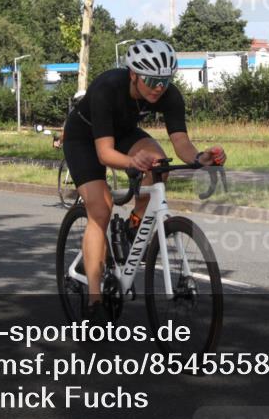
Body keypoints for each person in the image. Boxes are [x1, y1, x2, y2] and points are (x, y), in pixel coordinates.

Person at [62, 39, 226, 323]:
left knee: (158, 165)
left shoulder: (169, 94)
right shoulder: (107, 88)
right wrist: (130, 162)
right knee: (101, 208)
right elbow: (104, 154)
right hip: (84, 139)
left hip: (123, 132)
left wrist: (200, 158)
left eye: (164, 80)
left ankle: (131, 227)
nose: (159, 87)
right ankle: (94, 301)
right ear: (133, 75)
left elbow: (181, 142)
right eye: (151, 80)